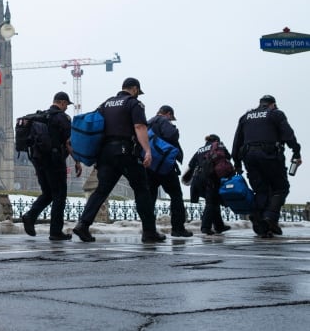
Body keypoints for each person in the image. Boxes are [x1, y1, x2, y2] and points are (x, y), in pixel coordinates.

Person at [72, 77, 166, 243]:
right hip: (126, 152)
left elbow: (95, 125)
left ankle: (83, 225)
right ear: (135, 89)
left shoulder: (106, 104)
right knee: (142, 190)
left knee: (101, 190)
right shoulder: (134, 104)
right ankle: (149, 232)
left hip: (106, 154)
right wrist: (148, 151)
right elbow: (140, 127)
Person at [232, 95, 302, 238]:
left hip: (249, 156)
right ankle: (269, 218)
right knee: (280, 188)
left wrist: (237, 163)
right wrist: (296, 151)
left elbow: (237, 141)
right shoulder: (275, 114)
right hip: (269, 155)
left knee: (261, 190)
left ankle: (260, 222)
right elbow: (288, 134)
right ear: (273, 104)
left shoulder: (245, 117)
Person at [21, 92, 82, 241]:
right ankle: (55, 232)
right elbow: (68, 142)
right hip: (55, 161)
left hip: (38, 161)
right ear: (61, 103)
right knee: (59, 195)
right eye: (66, 104)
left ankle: (30, 215)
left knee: (48, 193)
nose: (66, 107)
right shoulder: (62, 118)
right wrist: (77, 161)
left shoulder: (40, 116)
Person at [145, 105, 193, 237]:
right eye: (171, 118)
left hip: (149, 165)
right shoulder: (163, 121)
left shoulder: (147, 122)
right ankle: (178, 229)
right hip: (164, 165)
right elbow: (171, 135)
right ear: (168, 114)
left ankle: (149, 230)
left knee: (150, 198)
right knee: (176, 195)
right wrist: (174, 129)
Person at [182, 134, 231, 235]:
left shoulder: (200, 149)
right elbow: (228, 157)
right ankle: (205, 227)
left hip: (198, 178)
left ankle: (219, 225)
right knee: (211, 203)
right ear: (216, 140)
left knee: (213, 200)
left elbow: (191, 164)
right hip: (211, 177)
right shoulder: (219, 146)